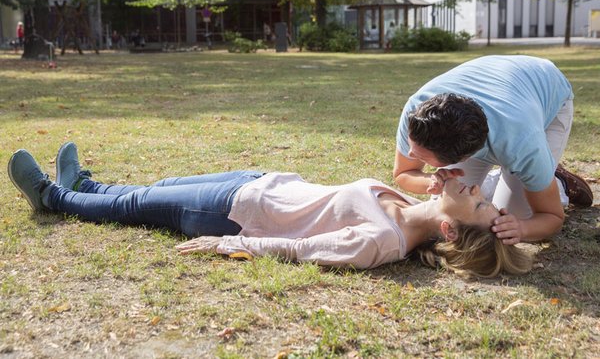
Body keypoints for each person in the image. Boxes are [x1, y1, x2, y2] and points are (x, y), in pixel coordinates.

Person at [7, 143, 533, 278]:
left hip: (233, 215)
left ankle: (53, 197)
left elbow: (300, 249)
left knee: (135, 205)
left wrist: (230, 243)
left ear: (448, 227)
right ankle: (85, 183)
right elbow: (430, 167)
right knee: (156, 184)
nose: (475, 190)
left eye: (478, 202)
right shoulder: (409, 200)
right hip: (257, 183)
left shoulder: (380, 242)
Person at [394, 55, 593, 247]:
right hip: (498, 79)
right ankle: (520, 178)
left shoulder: (524, 145)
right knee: (450, 206)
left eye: (421, 156)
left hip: (546, 87)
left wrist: (522, 228)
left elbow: (552, 217)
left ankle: (556, 180)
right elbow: (403, 173)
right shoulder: (417, 115)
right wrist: (431, 182)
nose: (410, 154)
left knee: (509, 220)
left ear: (464, 157)